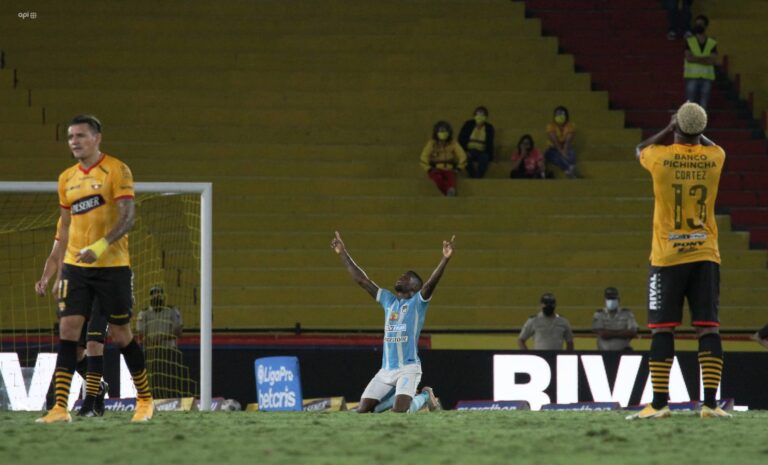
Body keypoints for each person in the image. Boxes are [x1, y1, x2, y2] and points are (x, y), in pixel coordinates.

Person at [37, 114, 154, 423]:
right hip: (76, 268)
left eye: (80, 136)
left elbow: (128, 217)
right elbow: (64, 225)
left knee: (121, 334)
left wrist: (100, 246)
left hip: (112, 266)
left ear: (97, 138)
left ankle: (145, 400)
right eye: (70, 137)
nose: (74, 141)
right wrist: (58, 271)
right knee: (68, 331)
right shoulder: (66, 178)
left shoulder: (117, 170)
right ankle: (60, 408)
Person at [627, 102, 729, 419]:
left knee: (662, 330)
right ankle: (710, 405)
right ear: (701, 130)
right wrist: (694, 128)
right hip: (705, 253)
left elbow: (639, 148)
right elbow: (713, 145)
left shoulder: (660, 158)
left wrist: (669, 128)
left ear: (677, 128)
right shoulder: (716, 158)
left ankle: (659, 404)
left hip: (667, 256)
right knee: (708, 329)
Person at [331, 231, 454, 413]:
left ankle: (426, 396)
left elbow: (430, 284)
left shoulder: (418, 303)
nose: (400, 278)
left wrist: (445, 259)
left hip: (408, 368)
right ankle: (390, 401)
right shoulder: (389, 301)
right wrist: (343, 253)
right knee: (363, 411)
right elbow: (362, 280)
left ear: (414, 286)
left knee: (399, 412)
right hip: (386, 370)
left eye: (405, 277)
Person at [36, 218, 109, 416]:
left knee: (94, 344)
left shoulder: (102, 213)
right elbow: (54, 255)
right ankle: (98, 388)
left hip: (102, 287)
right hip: (77, 289)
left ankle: (90, 404)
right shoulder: (65, 220)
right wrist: (45, 278)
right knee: (76, 352)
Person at [136, 285, 184, 399]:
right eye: (154, 293)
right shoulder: (144, 313)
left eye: (159, 293)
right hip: (151, 352)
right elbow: (140, 333)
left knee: (170, 378)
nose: (157, 296)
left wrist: (162, 337)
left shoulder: (172, 311)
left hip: (169, 351)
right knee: (152, 378)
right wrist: (151, 341)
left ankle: (172, 399)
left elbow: (179, 331)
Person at [420, 121, 467, 196]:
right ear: (436, 132)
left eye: (445, 131)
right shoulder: (432, 143)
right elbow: (424, 156)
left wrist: (459, 168)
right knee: (437, 178)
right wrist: (428, 168)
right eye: (441, 131)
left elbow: (462, 155)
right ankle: (449, 191)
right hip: (436, 169)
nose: (443, 133)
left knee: (451, 180)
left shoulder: (453, 143)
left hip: (450, 168)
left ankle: (450, 191)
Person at [684, 15, 717, 109]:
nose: (698, 26)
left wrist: (696, 58)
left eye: (701, 24)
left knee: (704, 104)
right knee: (690, 105)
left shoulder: (712, 42)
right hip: (692, 77)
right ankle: (690, 123)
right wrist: (705, 59)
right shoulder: (689, 41)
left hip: (706, 78)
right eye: (697, 24)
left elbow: (712, 60)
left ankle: (701, 124)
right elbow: (688, 58)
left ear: (706, 26)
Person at [458, 106, 495, 179]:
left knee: (485, 158)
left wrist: (490, 156)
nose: (480, 116)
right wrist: (464, 151)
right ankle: (473, 174)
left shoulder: (489, 128)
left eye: (482, 114)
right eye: (478, 114)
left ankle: (479, 176)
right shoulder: (468, 124)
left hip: (482, 152)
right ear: (474, 115)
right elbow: (461, 139)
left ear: (486, 117)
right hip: (469, 151)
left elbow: (490, 144)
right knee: (465, 158)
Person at [544, 106, 578, 178]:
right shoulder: (551, 125)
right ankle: (568, 168)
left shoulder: (571, 125)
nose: (559, 116)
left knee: (572, 153)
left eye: (561, 114)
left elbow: (568, 141)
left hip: (567, 147)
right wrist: (561, 151)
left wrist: (565, 150)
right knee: (550, 155)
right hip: (553, 148)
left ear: (566, 115)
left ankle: (569, 169)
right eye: (557, 114)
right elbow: (554, 140)